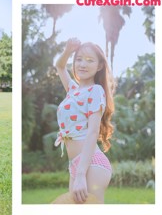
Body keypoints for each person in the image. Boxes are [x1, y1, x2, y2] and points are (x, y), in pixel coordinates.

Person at [54, 38, 115, 204]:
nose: (82, 64)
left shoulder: (95, 90)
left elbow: (93, 132)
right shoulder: (73, 90)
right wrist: (68, 50)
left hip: (90, 164)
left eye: (90, 60)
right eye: (79, 59)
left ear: (99, 66)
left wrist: (81, 174)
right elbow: (59, 66)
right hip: (75, 164)